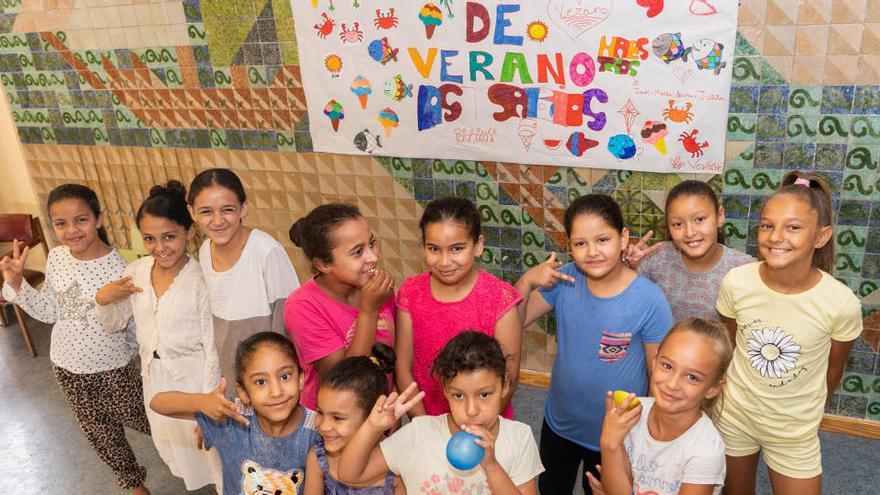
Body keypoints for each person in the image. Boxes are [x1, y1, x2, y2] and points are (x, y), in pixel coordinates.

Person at [515, 193, 673, 495]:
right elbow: (515, 322)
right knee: (551, 488)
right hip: (559, 423)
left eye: (602, 240)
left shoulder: (650, 299)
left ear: (623, 237)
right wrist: (526, 281)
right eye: (580, 244)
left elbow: (659, 375)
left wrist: (651, 438)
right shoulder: (565, 280)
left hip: (616, 435)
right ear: (569, 245)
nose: (592, 252)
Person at [715, 172, 862, 495]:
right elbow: (730, 341)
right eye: (767, 225)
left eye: (793, 227)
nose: (776, 236)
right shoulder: (736, 282)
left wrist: (804, 412)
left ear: (821, 236)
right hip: (736, 417)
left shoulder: (841, 304)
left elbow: (833, 370)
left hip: (794, 431)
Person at [0, 184, 151, 493]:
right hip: (67, 368)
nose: (71, 230)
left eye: (81, 219)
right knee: (101, 434)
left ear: (98, 219)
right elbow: (50, 312)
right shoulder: (56, 258)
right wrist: (17, 285)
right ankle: (135, 486)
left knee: (151, 422)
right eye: (60, 223)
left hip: (114, 370)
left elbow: (133, 329)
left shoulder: (122, 269)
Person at [95, 180, 221, 490]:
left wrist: (207, 403)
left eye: (169, 237)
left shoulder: (200, 278)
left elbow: (212, 345)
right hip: (155, 380)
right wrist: (105, 298)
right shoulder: (136, 271)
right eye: (149, 239)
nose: (160, 248)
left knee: (215, 459)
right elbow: (114, 323)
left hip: (193, 382)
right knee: (179, 452)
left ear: (189, 232)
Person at [338, 331, 544, 494]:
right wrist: (372, 428)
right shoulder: (419, 433)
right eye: (459, 396)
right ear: (445, 390)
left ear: (505, 385)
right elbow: (349, 475)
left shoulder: (519, 437)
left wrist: (491, 466)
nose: (471, 410)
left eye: (484, 395)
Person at [395, 196, 521, 418]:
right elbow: (403, 368)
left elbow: (508, 378)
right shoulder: (410, 293)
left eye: (456, 249)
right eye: (433, 248)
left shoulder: (500, 298)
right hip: (428, 417)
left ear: (478, 245)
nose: (444, 262)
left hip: (484, 419)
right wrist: (423, 423)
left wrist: (475, 428)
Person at [150, 331, 319, 495]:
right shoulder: (232, 417)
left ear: (300, 379)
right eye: (261, 382)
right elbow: (157, 403)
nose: (276, 392)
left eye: (285, 376)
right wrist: (202, 402)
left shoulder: (317, 430)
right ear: (244, 393)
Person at [188, 168, 300, 394]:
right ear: (192, 212)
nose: (218, 221)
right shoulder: (204, 251)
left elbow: (288, 323)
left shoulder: (266, 251)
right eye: (206, 211)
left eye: (227, 210)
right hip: (231, 381)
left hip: (270, 385)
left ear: (244, 208)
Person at [590, 318, 732, 495]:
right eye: (667, 366)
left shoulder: (705, 451)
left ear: (713, 389)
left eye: (692, 377)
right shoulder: (632, 413)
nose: (673, 384)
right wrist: (610, 444)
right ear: (654, 362)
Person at [285, 203, 395, 409]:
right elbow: (346, 380)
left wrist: (392, 404)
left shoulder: (376, 287)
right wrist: (369, 310)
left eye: (372, 244)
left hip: (381, 413)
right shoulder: (302, 306)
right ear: (323, 265)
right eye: (357, 252)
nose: (372, 257)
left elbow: (391, 358)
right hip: (334, 424)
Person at [626, 180, 753, 321]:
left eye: (699, 219)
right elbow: (628, 306)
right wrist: (631, 268)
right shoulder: (658, 259)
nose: (690, 232)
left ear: (720, 216)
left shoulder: (744, 268)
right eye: (678, 224)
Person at [303, 343, 403, 494]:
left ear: (372, 415)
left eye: (337, 418)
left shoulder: (395, 466)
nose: (323, 426)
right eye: (320, 412)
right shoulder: (318, 459)